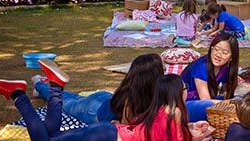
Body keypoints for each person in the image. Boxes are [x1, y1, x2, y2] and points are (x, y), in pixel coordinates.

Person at [0, 61, 212, 141]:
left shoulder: (160, 109)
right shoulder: (176, 113)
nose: (186, 90)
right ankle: (18, 96)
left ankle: (55, 85)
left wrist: (192, 127)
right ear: (177, 93)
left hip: (108, 133)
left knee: (50, 134)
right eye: (185, 87)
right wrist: (202, 140)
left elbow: (165, 135)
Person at [32, 53, 164, 124]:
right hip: (93, 110)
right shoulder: (133, 101)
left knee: (73, 98)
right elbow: (126, 130)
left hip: (104, 98)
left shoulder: (137, 89)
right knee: (63, 102)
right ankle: (39, 85)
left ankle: (41, 85)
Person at [182, 32, 240, 122]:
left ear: (231, 57)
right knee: (209, 105)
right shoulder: (202, 67)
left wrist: (231, 101)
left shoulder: (224, 69)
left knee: (240, 99)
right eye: (216, 49)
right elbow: (205, 100)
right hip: (185, 105)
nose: (218, 54)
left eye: (224, 52)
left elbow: (226, 93)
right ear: (211, 49)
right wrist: (229, 103)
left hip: (200, 102)